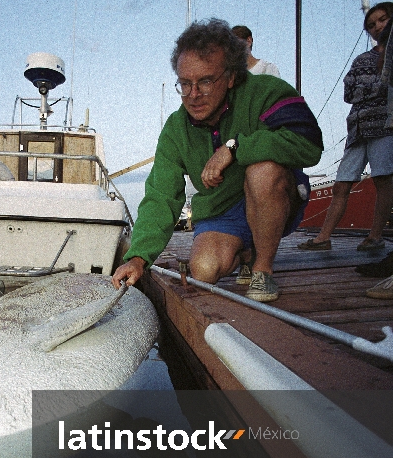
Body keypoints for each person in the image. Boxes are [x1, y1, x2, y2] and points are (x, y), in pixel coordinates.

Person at [111, 19, 323, 302]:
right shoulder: (175, 129)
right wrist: (138, 258)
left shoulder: (267, 91)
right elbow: (161, 196)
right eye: (185, 84)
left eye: (206, 81)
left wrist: (234, 148)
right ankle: (247, 252)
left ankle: (263, 269)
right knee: (205, 269)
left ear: (232, 76)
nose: (194, 95)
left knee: (262, 171)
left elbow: (308, 143)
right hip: (222, 209)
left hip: (272, 195)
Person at [297, 1, 393, 253]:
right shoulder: (362, 59)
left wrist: (372, 87)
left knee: (383, 180)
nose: (377, 27)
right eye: (371, 24)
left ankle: (375, 235)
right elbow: (349, 92)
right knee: (342, 184)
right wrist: (377, 87)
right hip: (357, 130)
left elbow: (381, 86)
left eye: (382, 20)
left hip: (385, 127)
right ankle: (323, 237)